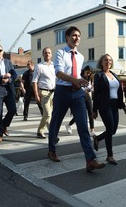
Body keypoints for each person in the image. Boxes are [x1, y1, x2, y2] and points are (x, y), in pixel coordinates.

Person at [47, 26, 105, 172]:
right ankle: (51, 150)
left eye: (79, 35)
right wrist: (75, 80)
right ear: (67, 37)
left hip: (78, 93)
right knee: (56, 122)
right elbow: (59, 73)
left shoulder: (80, 56)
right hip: (62, 91)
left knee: (83, 126)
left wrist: (83, 83)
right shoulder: (60, 52)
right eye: (74, 35)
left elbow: (76, 75)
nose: (77, 38)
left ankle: (90, 160)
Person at [92, 54, 126, 165]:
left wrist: (123, 106)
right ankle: (110, 155)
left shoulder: (114, 75)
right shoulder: (99, 76)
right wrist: (94, 109)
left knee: (113, 130)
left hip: (114, 105)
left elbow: (119, 92)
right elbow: (96, 94)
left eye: (110, 60)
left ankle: (97, 139)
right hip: (104, 105)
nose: (108, 61)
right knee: (110, 128)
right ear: (102, 62)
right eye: (105, 60)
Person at [32, 47, 56, 139]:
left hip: (53, 93)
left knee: (47, 114)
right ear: (43, 54)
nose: (47, 54)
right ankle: (53, 135)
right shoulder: (39, 66)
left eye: (49, 53)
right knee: (48, 114)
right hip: (44, 92)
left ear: (51, 54)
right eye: (45, 53)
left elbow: (57, 79)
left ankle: (40, 131)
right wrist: (36, 95)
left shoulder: (55, 65)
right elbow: (34, 81)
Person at [65, 65, 95, 136]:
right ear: (84, 71)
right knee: (80, 114)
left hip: (87, 96)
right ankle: (69, 124)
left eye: (90, 73)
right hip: (80, 97)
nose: (88, 74)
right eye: (87, 72)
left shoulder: (90, 78)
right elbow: (76, 87)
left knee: (91, 112)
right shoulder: (79, 77)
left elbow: (91, 88)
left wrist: (91, 88)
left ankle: (92, 130)